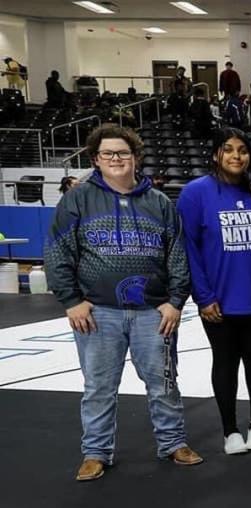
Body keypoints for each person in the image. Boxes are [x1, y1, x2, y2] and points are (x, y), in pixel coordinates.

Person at [45, 124, 203, 481]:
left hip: (152, 312)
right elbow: (57, 251)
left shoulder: (159, 202)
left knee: (164, 382)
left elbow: (177, 254)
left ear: (136, 157)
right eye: (108, 154)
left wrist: (175, 300)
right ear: (96, 159)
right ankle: (96, 452)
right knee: (99, 387)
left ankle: (173, 442)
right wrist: (72, 301)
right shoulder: (78, 199)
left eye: (123, 153)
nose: (116, 159)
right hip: (98, 312)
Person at [177, 127, 251, 456]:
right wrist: (203, 296)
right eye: (229, 149)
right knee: (225, 363)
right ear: (216, 153)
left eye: (242, 150)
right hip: (219, 300)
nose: (236, 156)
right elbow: (188, 248)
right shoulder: (195, 193)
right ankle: (230, 430)